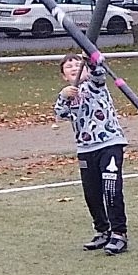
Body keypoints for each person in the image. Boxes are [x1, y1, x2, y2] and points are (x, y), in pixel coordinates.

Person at [54, 50, 129, 255]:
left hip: (109, 144)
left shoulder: (95, 85)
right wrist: (64, 95)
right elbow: (61, 113)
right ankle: (102, 230)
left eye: (77, 64)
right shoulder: (68, 94)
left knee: (111, 189)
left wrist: (91, 61)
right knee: (92, 193)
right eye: (68, 66)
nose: (74, 68)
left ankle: (119, 233)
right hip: (85, 149)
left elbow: (98, 73)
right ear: (64, 75)